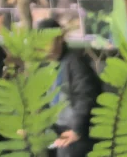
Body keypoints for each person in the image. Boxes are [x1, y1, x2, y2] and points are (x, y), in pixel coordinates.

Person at [38, 18, 101, 157]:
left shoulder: (76, 63)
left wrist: (76, 130)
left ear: (60, 38)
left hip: (80, 129)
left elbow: (85, 98)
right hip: (55, 128)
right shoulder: (44, 66)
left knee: (66, 152)